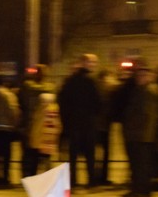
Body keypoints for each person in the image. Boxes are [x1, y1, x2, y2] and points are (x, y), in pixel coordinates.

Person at [58, 53, 102, 188]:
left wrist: (66, 119)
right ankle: (91, 180)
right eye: (91, 63)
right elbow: (98, 103)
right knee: (90, 154)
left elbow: (62, 101)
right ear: (84, 64)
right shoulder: (91, 81)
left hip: (73, 123)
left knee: (73, 154)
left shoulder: (69, 81)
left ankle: (73, 180)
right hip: (88, 123)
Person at [120, 61, 158, 197]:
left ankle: (140, 189)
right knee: (141, 164)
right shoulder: (145, 90)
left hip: (140, 135)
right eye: (138, 75)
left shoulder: (147, 91)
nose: (139, 78)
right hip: (142, 134)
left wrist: (133, 129)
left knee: (139, 164)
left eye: (143, 75)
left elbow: (146, 114)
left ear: (148, 76)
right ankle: (143, 188)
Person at [26, 93, 62, 175]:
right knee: (47, 160)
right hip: (50, 139)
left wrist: (32, 136)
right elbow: (59, 125)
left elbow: (36, 124)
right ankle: (47, 179)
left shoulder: (41, 109)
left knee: (35, 160)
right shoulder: (55, 110)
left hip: (39, 138)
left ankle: (34, 179)